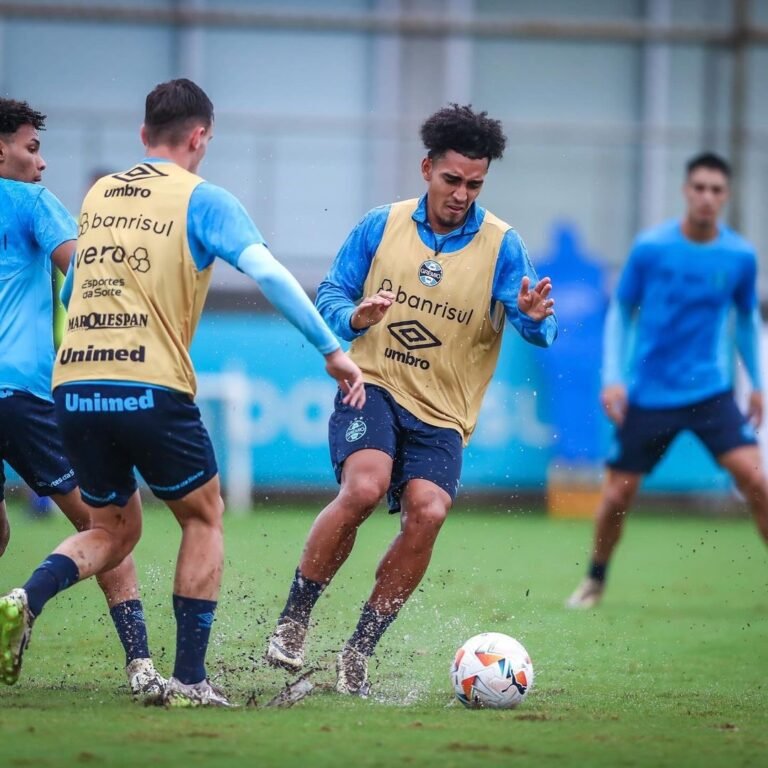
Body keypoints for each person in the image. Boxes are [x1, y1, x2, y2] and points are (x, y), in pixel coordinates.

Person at [0, 79, 365, 708]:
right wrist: (332, 348)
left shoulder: (99, 193)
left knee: (114, 527)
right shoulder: (205, 199)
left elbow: (72, 290)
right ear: (201, 138)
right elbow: (269, 273)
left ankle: (22, 599)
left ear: (144, 136)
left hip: (74, 385)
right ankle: (191, 679)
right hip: (148, 383)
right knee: (203, 515)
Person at [266, 104, 558, 695]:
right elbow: (332, 292)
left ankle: (359, 648)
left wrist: (531, 319)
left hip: (443, 413)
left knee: (428, 512)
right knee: (366, 487)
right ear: (427, 168)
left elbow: (539, 328)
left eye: (474, 184)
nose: (461, 194)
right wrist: (353, 315)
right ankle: (294, 621)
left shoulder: (503, 245)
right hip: (370, 384)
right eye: (451, 180)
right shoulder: (381, 224)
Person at [0, 98, 164, 700]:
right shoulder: (34, 204)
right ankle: (143, 666)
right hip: (18, 393)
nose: (41, 164)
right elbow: (86, 275)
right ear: (1, 150)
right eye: (32, 148)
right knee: (109, 528)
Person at [566, 152, 768, 609]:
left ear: (726, 197)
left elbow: (746, 317)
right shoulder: (652, 248)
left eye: (716, 190)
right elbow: (620, 309)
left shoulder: (738, 255)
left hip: (711, 392)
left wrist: (756, 382)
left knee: (757, 482)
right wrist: (614, 377)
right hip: (650, 395)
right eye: (699, 187)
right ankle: (595, 580)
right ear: (686, 191)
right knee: (617, 495)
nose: (707, 197)